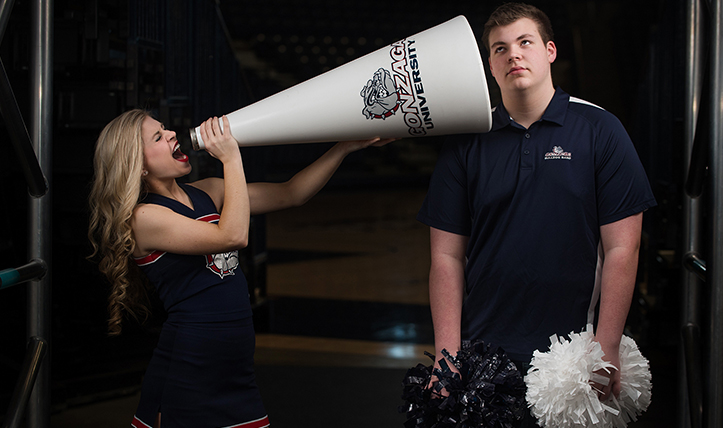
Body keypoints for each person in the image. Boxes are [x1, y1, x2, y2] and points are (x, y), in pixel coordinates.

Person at [416, 3, 656, 425]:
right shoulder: (466, 142)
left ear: (549, 50)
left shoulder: (600, 130)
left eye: (524, 42)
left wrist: (608, 346)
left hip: (572, 353)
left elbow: (623, 247)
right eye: (499, 49)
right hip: (484, 351)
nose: (513, 55)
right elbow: (446, 257)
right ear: (490, 65)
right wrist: (447, 355)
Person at [87, 109, 391, 428]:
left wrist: (344, 146)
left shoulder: (208, 191)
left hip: (235, 366)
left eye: (165, 128)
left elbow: (292, 193)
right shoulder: (144, 218)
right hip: (190, 369)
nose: (172, 134)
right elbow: (233, 235)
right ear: (140, 165)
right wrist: (231, 158)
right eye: (158, 137)